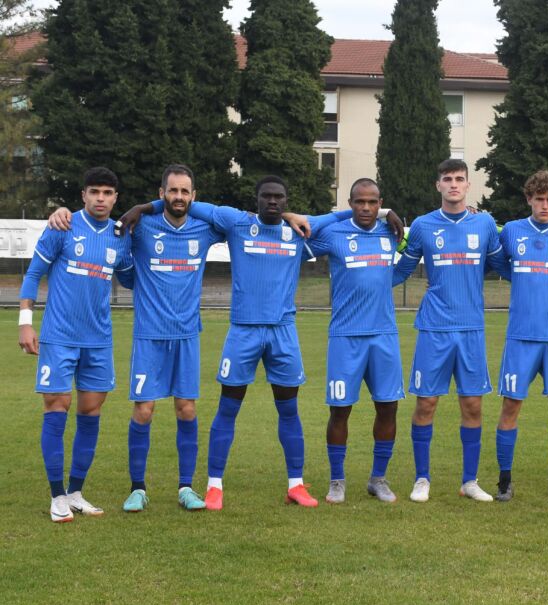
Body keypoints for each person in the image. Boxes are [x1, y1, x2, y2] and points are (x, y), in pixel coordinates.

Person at [120, 176, 357, 510]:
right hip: (243, 332)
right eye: (267, 197)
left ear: (287, 202)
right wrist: (142, 207)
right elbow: (185, 203)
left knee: (289, 409)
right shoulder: (237, 223)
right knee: (227, 408)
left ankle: (296, 484)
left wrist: (386, 214)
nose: (273, 202)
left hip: (283, 333)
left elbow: (339, 217)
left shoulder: (298, 232)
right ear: (256, 200)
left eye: (279, 198)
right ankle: (214, 485)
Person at [46, 164, 223, 512]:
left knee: (187, 409)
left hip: (187, 336)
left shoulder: (203, 227)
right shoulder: (139, 227)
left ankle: (186, 487)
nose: (178, 197)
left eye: (185, 191)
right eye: (172, 191)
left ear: (193, 196)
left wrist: (145, 205)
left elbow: (240, 222)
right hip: (148, 335)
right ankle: (137, 488)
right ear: (161, 193)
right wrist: (62, 212)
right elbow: (102, 232)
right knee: (144, 409)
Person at [18, 167, 133, 522]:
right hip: (59, 337)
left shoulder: (120, 235)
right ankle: (56, 497)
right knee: (57, 407)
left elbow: (130, 278)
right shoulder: (62, 226)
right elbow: (34, 273)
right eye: (94, 192)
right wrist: (25, 323)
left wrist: (139, 235)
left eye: (107, 193)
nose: (101, 198)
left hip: (98, 341)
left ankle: (75, 492)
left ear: (116, 198)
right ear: (83, 195)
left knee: (90, 413)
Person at [393, 158, 506, 503]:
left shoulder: (485, 224)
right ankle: (422, 478)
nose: (454, 184)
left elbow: (504, 265)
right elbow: (400, 270)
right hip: (434, 328)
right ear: (438, 185)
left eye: (459, 179)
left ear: (468, 185)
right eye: (447, 179)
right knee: (426, 403)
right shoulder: (424, 226)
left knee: (472, 405)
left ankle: (469, 481)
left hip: (471, 328)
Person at [305, 178, 404, 504]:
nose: (366, 208)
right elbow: (305, 230)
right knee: (340, 411)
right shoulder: (334, 234)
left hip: (384, 336)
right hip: (345, 337)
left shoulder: (391, 233)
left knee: (388, 407)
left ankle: (378, 479)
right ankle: (337, 481)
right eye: (359, 202)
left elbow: (419, 242)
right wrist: (335, 215)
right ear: (349, 203)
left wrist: (389, 213)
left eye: (373, 202)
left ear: (380, 203)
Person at [491, 170, 548, 502]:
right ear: (529, 198)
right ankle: (504, 481)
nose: (545, 205)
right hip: (521, 336)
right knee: (511, 405)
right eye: (539, 199)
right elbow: (499, 264)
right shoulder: (512, 231)